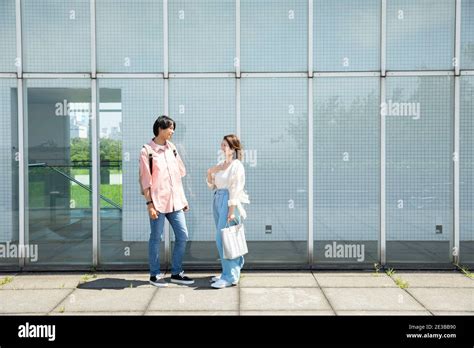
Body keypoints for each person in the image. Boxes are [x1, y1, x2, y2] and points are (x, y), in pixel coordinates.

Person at [139, 115, 194, 287]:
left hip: (175, 202)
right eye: (170, 128)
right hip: (157, 202)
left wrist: (182, 199)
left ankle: (176, 272)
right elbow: (145, 180)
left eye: (173, 128)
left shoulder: (172, 148)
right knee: (156, 238)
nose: (172, 131)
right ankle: (154, 274)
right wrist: (149, 205)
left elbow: (178, 176)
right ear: (160, 129)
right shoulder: (147, 151)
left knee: (182, 235)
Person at [206, 134, 249, 289]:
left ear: (233, 148)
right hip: (217, 199)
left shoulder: (237, 165)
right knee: (225, 238)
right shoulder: (222, 163)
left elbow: (235, 189)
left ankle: (230, 276)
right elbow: (211, 184)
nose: (222, 147)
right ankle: (229, 271)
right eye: (222, 144)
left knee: (223, 238)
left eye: (225, 145)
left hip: (228, 201)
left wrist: (231, 210)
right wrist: (212, 170)